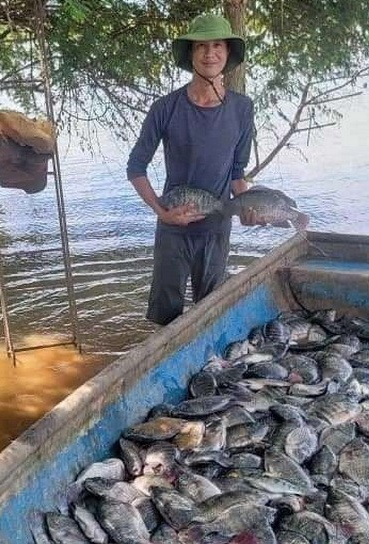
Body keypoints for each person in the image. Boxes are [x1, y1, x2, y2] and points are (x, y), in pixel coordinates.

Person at [127, 13, 260, 326]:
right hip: (174, 228)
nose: (209, 53)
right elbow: (136, 167)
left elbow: (237, 173)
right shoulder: (166, 107)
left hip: (216, 229)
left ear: (227, 54)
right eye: (201, 46)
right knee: (165, 317)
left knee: (210, 313)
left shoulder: (242, 109)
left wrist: (249, 209)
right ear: (191, 54)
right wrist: (162, 212)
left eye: (217, 46)